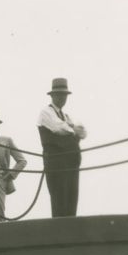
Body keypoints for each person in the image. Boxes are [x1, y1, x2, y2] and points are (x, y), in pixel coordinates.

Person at [37, 77, 86, 217]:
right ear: (52, 96)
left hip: (70, 165)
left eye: (64, 95)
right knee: (59, 202)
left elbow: (80, 133)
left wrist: (75, 129)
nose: (62, 98)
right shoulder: (46, 112)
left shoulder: (66, 116)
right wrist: (73, 129)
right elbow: (58, 127)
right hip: (56, 165)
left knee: (71, 202)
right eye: (59, 94)